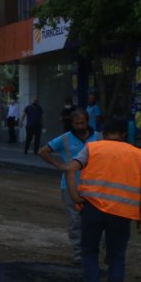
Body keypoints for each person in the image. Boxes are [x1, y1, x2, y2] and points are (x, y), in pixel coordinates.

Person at [64, 116, 141, 282]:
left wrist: (75, 196)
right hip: (122, 212)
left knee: (89, 251)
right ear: (124, 134)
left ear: (102, 133)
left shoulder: (92, 148)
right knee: (117, 256)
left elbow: (70, 169)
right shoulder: (139, 154)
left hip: (92, 208)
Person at [38, 109, 101, 264]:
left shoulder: (99, 137)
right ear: (72, 124)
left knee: (95, 221)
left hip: (95, 187)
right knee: (75, 221)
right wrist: (59, 165)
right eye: (77, 123)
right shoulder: (65, 139)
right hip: (70, 186)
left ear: (88, 122)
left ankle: (93, 251)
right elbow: (43, 151)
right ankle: (79, 254)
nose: (80, 126)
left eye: (83, 123)